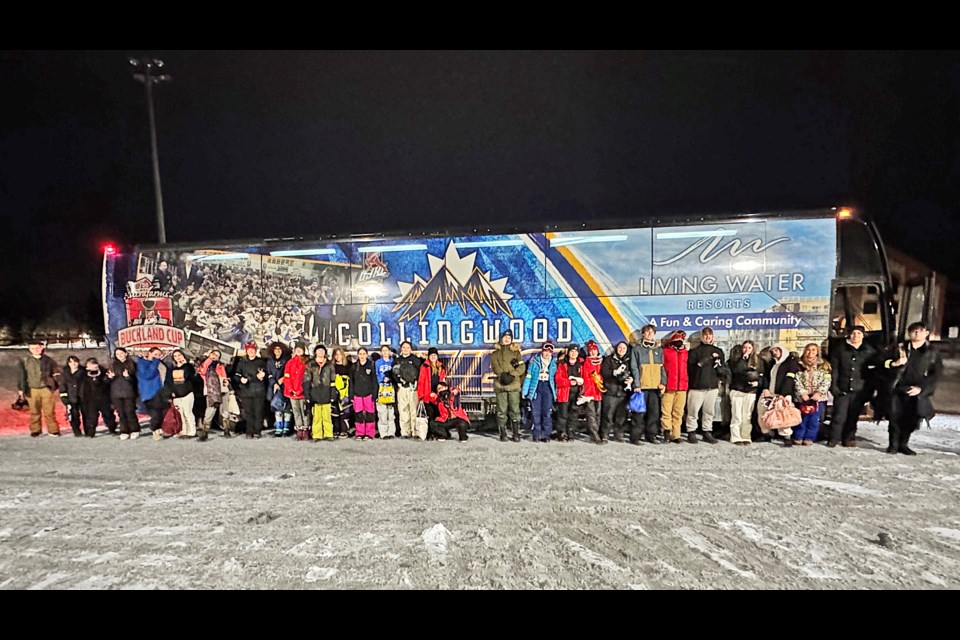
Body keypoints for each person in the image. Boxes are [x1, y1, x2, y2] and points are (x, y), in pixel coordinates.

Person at [885, 322, 944, 455]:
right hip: (897, 387)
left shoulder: (932, 352)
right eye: (914, 331)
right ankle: (893, 445)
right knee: (894, 417)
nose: (917, 334)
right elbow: (882, 362)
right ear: (909, 333)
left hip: (916, 389)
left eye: (920, 331)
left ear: (926, 333)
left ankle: (903, 444)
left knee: (911, 418)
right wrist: (894, 363)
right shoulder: (899, 348)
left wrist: (922, 389)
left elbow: (936, 374)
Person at [828, 326, 880, 448]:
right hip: (842, 388)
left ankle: (849, 438)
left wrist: (869, 390)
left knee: (853, 416)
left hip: (859, 390)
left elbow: (873, 373)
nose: (855, 336)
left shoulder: (870, 351)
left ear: (863, 335)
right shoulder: (840, 350)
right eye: (853, 333)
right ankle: (834, 438)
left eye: (858, 333)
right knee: (839, 416)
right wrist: (834, 386)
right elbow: (835, 370)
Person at [685, 327, 726, 444]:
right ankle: (691, 431)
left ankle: (707, 431)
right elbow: (689, 369)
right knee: (693, 411)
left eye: (710, 335)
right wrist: (701, 363)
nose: (708, 338)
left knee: (709, 411)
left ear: (713, 337)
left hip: (712, 386)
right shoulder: (694, 352)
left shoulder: (718, 351)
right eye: (705, 335)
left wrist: (719, 367)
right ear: (701, 337)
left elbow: (722, 369)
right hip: (697, 387)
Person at [629, 325, 666, 445]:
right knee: (639, 413)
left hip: (655, 387)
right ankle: (636, 437)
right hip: (642, 387)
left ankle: (651, 435)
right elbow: (634, 367)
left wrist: (663, 382)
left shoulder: (658, 349)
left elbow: (662, 368)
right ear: (643, 334)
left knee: (654, 413)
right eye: (647, 332)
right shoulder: (637, 349)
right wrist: (637, 384)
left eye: (652, 332)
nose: (650, 334)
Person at [17, 340, 62, 437]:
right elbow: (22, 376)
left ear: (41, 348)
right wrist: (21, 389)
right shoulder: (25, 361)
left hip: (46, 388)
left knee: (49, 411)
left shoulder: (48, 360)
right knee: (34, 411)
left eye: (37, 348)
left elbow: (57, 373)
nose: (35, 350)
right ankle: (35, 429)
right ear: (29, 349)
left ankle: (53, 430)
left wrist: (54, 384)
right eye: (33, 348)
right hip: (32, 389)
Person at [759, 343, 800, 447]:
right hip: (770, 393)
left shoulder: (790, 362)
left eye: (776, 350)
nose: (774, 352)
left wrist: (784, 393)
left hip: (783, 394)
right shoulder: (772, 363)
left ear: (782, 350)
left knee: (783, 415)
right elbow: (766, 378)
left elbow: (790, 378)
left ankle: (786, 437)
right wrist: (765, 389)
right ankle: (766, 433)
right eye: (772, 351)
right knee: (763, 412)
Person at [490, 329, 526, 442]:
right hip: (500, 385)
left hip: (514, 385)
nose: (506, 339)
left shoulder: (516, 353)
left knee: (515, 409)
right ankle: (503, 432)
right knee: (501, 410)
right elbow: (495, 366)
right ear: (500, 339)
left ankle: (516, 432)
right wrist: (502, 376)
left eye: (509, 338)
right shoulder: (495, 354)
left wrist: (512, 375)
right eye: (505, 337)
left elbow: (521, 367)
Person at [792, 343, 831, 446]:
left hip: (818, 398)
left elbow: (826, 381)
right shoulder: (799, 365)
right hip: (802, 397)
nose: (811, 352)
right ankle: (798, 436)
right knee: (801, 418)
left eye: (813, 350)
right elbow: (796, 381)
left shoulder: (823, 365)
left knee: (814, 419)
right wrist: (802, 393)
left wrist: (818, 393)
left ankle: (809, 437)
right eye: (808, 350)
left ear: (817, 352)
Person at [555, 345, 592, 442]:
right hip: (564, 393)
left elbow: (587, 377)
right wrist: (569, 382)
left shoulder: (581, 363)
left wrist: (583, 382)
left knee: (573, 415)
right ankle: (562, 434)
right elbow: (558, 379)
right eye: (572, 352)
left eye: (575, 352)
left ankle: (570, 433)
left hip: (577, 394)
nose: (573, 354)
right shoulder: (562, 363)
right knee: (563, 415)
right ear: (568, 352)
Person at [521, 342, 557, 443]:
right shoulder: (534, 362)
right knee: (535, 412)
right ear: (542, 351)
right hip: (537, 387)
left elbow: (555, 379)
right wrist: (525, 390)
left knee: (546, 412)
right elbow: (529, 376)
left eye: (549, 352)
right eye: (545, 351)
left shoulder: (553, 363)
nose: (547, 354)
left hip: (547, 387)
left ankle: (546, 434)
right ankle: (536, 434)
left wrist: (556, 392)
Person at [728, 341, 762, 445]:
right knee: (737, 415)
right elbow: (735, 371)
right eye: (745, 348)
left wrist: (757, 383)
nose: (746, 350)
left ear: (753, 349)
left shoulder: (758, 361)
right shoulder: (735, 361)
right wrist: (743, 359)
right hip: (737, 391)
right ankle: (735, 437)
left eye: (749, 348)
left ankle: (746, 436)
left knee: (747, 416)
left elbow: (762, 376)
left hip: (750, 392)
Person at [197, 349, 234, 441]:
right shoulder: (205, 364)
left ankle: (226, 429)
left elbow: (224, 376)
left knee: (225, 409)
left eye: (217, 355)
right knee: (210, 409)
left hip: (222, 388)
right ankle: (205, 431)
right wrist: (209, 359)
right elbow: (202, 371)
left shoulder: (220, 365)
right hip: (211, 390)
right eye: (213, 354)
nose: (215, 356)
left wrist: (227, 382)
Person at [600, 341, 633, 443]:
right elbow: (604, 372)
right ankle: (604, 434)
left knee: (621, 416)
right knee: (608, 415)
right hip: (611, 391)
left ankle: (619, 434)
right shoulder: (609, 359)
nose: (621, 350)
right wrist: (614, 372)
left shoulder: (629, 361)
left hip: (623, 393)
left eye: (624, 348)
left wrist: (631, 379)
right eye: (620, 348)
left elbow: (634, 372)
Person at [233, 341, 267, 438]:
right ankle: (249, 431)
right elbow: (236, 375)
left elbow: (262, 375)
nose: (251, 351)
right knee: (248, 412)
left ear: (255, 351)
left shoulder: (261, 362)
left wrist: (250, 378)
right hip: (246, 391)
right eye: (249, 350)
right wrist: (241, 379)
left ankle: (257, 431)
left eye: (253, 350)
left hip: (258, 391)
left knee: (258, 411)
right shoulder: (242, 362)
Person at [661, 330, 689, 444]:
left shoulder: (686, 353)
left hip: (682, 386)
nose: (679, 342)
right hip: (669, 385)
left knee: (678, 412)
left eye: (681, 340)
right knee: (666, 411)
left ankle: (676, 434)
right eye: (676, 340)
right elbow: (661, 367)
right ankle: (666, 431)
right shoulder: (666, 351)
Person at [303, 345, 336, 441]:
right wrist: (307, 394)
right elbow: (306, 380)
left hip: (326, 391)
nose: (321, 352)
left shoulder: (329, 364)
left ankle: (328, 434)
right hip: (315, 391)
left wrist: (333, 393)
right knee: (316, 416)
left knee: (327, 415)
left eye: (322, 350)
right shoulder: (310, 364)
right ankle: (317, 435)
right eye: (319, 350)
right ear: (315, 352)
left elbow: (333, 380)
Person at [78, 358, 116, 437]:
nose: (92, 367)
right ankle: (91, 432)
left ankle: (112, 429)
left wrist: (108, 378)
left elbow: (107, 384)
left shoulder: (103, 372)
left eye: (94, 364)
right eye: (89, 365)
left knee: (108, 415)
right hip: (91, 400)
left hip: (104, 398)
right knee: (92, 417)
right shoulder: (83, 375)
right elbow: (82, 388)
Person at [136, 347, 169, 441]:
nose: (157, 356)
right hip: (149, 393)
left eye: (159, 354)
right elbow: (147, 375)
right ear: (149, 353)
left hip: (161, 392)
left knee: (162, 412)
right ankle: (154, 429)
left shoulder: (160, 363)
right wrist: (155, 361)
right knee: (155, 413)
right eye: (155, 354)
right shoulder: (142, 363)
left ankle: (159, 428)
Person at [392, 341, 422, 439]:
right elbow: (393, 374)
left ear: (411, 349)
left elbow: (419, 374)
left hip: (413, 388)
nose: (405, 349)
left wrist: (415, 384)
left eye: (407, 347)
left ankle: (415, 432)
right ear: (401, 349)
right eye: (403, 347)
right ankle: (405, 432)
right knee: (403, 410)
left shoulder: (416, 360)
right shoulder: (397, 361)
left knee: (414, 410)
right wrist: (398, 383)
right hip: (402, 388)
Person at [107, 347, 139, 440]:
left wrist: (128, 377)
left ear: (125, 353)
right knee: (121, 413)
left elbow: (136, 380)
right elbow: (106, 380)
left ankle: (134, 430)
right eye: (117, 354)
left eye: (121, 353)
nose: (120, 355)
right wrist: (109, 377)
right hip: (116, 393)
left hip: (129, 392)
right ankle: (124, 431)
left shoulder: (132, 364)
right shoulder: (112, 365)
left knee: (130, 412)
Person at [166, 349, 198, 438]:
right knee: (181, 414)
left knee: (188, 412)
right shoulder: (172, 369)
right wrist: (170, 393)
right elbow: (169, 382)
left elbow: (188, 376)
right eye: (175, 356)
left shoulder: (188, 367)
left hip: (187, 393)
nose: (178, 357)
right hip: (177, 395)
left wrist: (185, 364)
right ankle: (184, 429)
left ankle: (192, 430)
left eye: (179, 355)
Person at [417, 347, 446, 440]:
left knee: (438, 415)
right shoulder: (424, 366)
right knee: (430, 415)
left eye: (434, 355)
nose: (433, 357)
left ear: (437, 356)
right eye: (431, 355)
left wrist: (440, 393)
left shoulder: (441, 367)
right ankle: (429, 434)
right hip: (427, 395)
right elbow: (421, 381)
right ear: (428, 356)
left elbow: (442, 381)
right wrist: (421, 395)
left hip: (438, 396)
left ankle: (438, 433)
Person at [351, 347, 378, 441]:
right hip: (357, 394)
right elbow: (351, 382)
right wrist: (351, 395)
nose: (362, 356)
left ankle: (369, 433)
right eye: (360, 354)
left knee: (370, 414)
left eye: (364, 354)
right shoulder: (354, 366)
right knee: (358, 414)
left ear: (367, 355)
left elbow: (374, 381)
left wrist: (375, 394)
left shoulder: (371, 365)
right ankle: (360, 433)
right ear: (357, 355)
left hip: (369, 394)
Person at [283, 342, 309, 440]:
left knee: (304, 412)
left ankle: (306, 429)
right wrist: (290, 389)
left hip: (302, 393)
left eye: (300, 349)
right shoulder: (290, 363)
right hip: (292, 393)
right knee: (296, 412)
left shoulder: (306, 362)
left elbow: (306, 379)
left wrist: (299, 390)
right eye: (297, 349)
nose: (298, 351)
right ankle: (299, 429)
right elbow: (287, 377)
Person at [267, 342, 292, 437]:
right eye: (276, 349)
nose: (277, 351)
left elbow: (288, 372)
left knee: (287, 408)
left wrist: (283, 379)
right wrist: (274, 383)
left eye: (279, 349)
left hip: (285, 387)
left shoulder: (286, 360)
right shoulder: (270, 362)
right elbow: (269, 374)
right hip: (274, 388)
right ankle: (278, 427)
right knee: (277, 408)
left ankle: (286, 428)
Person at [330, 347, 353, 438]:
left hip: (345, 393)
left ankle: (344, 430)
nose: (338, 356)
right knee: (335, 411)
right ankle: (336, 430)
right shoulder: (331, 366)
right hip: (334, 391)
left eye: (340, 354)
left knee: (345, 412)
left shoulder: (349, 366)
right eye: (336, 354)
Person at [59, 355, 84, 437]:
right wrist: (64, 397)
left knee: (86, 414)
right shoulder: (65, 373)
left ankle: (88, 430)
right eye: (71, 362)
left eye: (75, 361)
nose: (73, 363)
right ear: (68, 363)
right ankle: (76, 430)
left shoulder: (83, 372)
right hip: (71, 397)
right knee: (74, 415)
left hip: (83, 397)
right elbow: (62, 385)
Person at [375, 345, 397, 439]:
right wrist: (382, 379)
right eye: (383, 351)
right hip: (381, 387)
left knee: (391, 412)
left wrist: (390, 378)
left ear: (389, 352)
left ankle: (391, 432)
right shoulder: (378, 362)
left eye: (386, 350)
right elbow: (376, 374)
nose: (385, 352)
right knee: (382, 411)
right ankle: (383, 433)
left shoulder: (393, 361)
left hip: (391, 387)